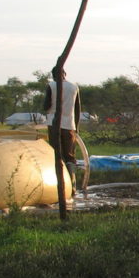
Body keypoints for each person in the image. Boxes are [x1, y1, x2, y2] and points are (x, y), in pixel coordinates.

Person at [43, 64, 82, 193]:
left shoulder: (52, 86)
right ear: (65, 74)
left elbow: (46, 106)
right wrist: (76, 127)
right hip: (69, 125)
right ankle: (73, 185)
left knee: (57, 154)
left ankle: (61, 186)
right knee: (70, 156)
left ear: (54, 75)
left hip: (54, 125)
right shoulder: (74, 87)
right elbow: (77, 110)